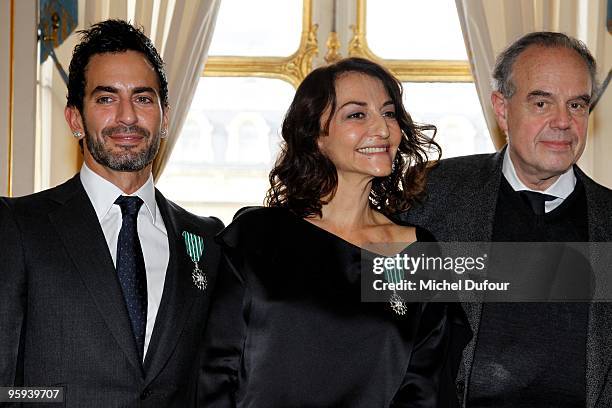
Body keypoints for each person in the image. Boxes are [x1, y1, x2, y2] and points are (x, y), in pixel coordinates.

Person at [199, 57, 471, 407]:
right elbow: (216, 371)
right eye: (357, 114)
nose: (383, 129)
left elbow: (424, 390)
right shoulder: (257, 237)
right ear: (316, 136)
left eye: (388, 113)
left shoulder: (417, 253)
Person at [0, 20, 224, 407]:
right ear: (74, 119)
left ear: (165, 117)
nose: (127, 117)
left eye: (142, 98)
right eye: (106, 99)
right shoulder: (19, 226)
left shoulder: (205, 240)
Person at [402, 32, 612, 407]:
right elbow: (383, 318)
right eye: (542, 102)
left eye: (577, 105)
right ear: (502, 109)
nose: (563, 122)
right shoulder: (435, 194)